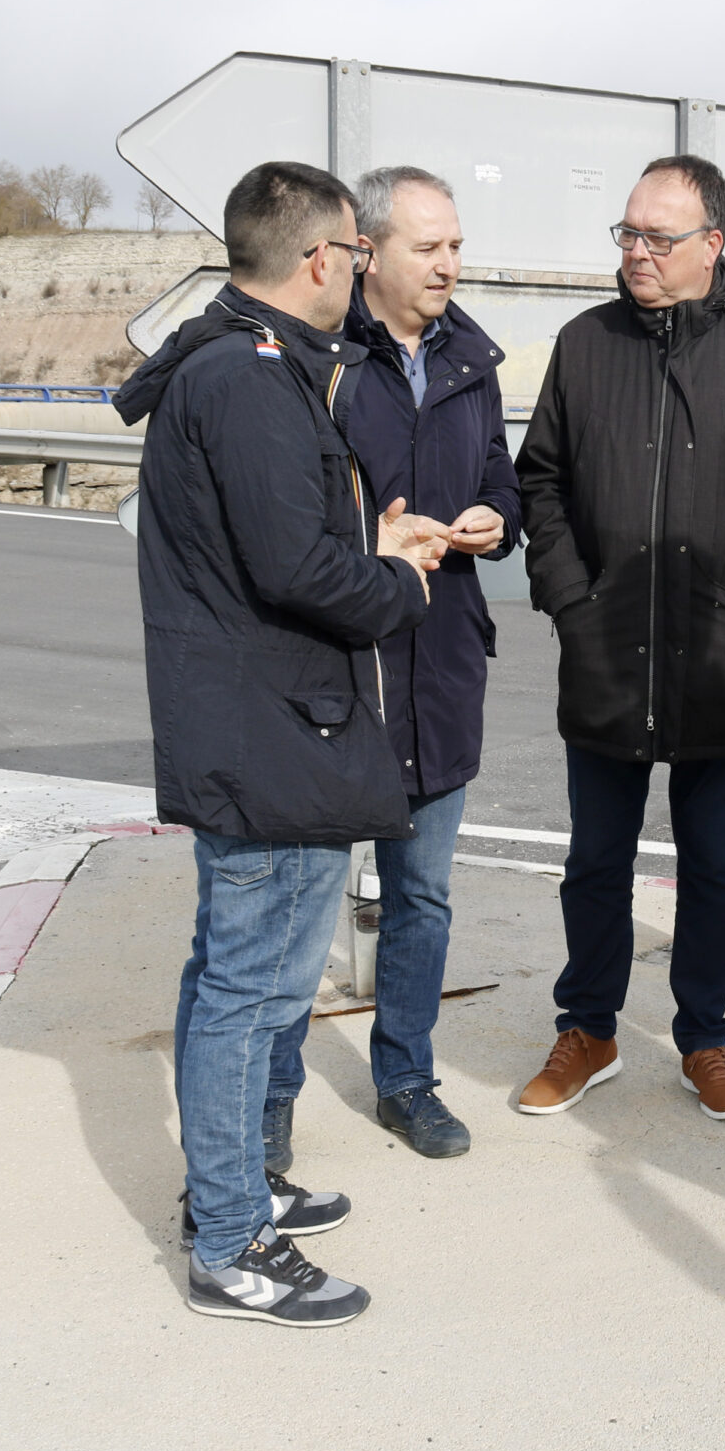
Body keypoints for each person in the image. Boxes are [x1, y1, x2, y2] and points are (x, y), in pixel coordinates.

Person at [120, 160, 445, 1328]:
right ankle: (228, 1244)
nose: (361, 270)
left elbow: (282, 542)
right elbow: (294, 569)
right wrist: (397, 576)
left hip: (278, 727)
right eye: (358, 252)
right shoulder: (249, 379)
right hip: (265, 737)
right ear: (320, 260)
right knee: (244, 987)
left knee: (255, 981)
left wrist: (370, 543)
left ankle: (240, 1188)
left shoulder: (247, 366)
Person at [514, 154, 725, 1121]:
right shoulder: (585, 344)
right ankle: (588, 1029)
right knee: (594, 863)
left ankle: (705, 1038)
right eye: (628, 233)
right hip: (606, 657)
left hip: (723, 666)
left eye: (659, 237)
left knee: (717, 870)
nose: (637, 252)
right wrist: (573, 605)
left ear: (713, 244)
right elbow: (541, 482)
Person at [258, 166, 520, 1167]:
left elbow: (502, 477)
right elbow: (288, 519)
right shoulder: (319, 359)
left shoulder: (471, 359)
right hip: (342, 671)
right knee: (302, 908)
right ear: (367, 252)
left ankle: (407, 1080)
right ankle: (269, 1105)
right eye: (429, 247)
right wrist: (368, 546)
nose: (449, 264)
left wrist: (498, 518)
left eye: (456, 245)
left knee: (423, 898)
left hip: (441, 665)